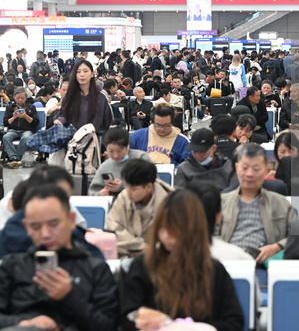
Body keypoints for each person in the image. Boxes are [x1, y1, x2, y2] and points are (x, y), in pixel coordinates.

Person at [119, 190, 244, 331]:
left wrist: (193, 328)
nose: (166, 236)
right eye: (162, 227)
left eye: (174, 229)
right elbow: (127, 317)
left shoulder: (213, 270)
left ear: (192, 229)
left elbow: (234, 322)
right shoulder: (143, 266)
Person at [0, 184, 119, 330]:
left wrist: (70, 297)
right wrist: (24, 322)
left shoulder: (95, 269)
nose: (45, 234)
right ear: (26, 228)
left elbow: (108, 325)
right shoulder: (12, 266)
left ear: (71, 220)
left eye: (53, 223)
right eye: (35, 227)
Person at [219, 143, 292, 264]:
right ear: (237, 168)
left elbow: (298, 235)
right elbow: (209, 236)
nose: (249, 174)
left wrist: (277, 247)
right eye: (245, 167)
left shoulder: (281, 204)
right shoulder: (221, 202)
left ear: (267, 170)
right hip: (228, 264)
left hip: (265, 265)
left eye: (256, 169)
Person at [106, 159, 173, 257]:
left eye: (133, 189)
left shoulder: (169, 203)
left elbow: (173, 242)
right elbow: (113, 226)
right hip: (125, 256)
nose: (128, 192)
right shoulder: (124, 197)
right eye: (126, 186)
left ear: (149, 187)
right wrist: (139, 246)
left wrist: (150, 251)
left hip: (160, 260)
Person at [89, 127, 152, 196]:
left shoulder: (141, 158)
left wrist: (124, 186)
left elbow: (152, 184)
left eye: (119, 151)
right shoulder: (105, 167)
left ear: (127, 146)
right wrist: (99, 194)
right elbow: (92, 191)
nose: (115, 155)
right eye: (111, 151)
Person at [56, 59, 113, 133]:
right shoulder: (69, 95)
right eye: (78, 72)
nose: (82, 74)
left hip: (95, 139)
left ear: (92, 74)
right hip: (73, 139)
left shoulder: (101, 96)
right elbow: (63, 115)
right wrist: (60, 121)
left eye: (85, 71)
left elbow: (108, 122)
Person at [2, 86, 38, 168]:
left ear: (26, 98)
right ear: (14, 97)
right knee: (6, 137)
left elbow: (35, 122)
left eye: (22, 98)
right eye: (18, 98)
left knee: (26, 137)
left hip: (27, 130)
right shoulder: (9, 107)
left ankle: (15, 159)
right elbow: (5, 122)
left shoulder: (31, 107)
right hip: (13, 130)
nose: (20, 100)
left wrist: (25, 116)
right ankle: (15, 157)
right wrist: (14, 117)